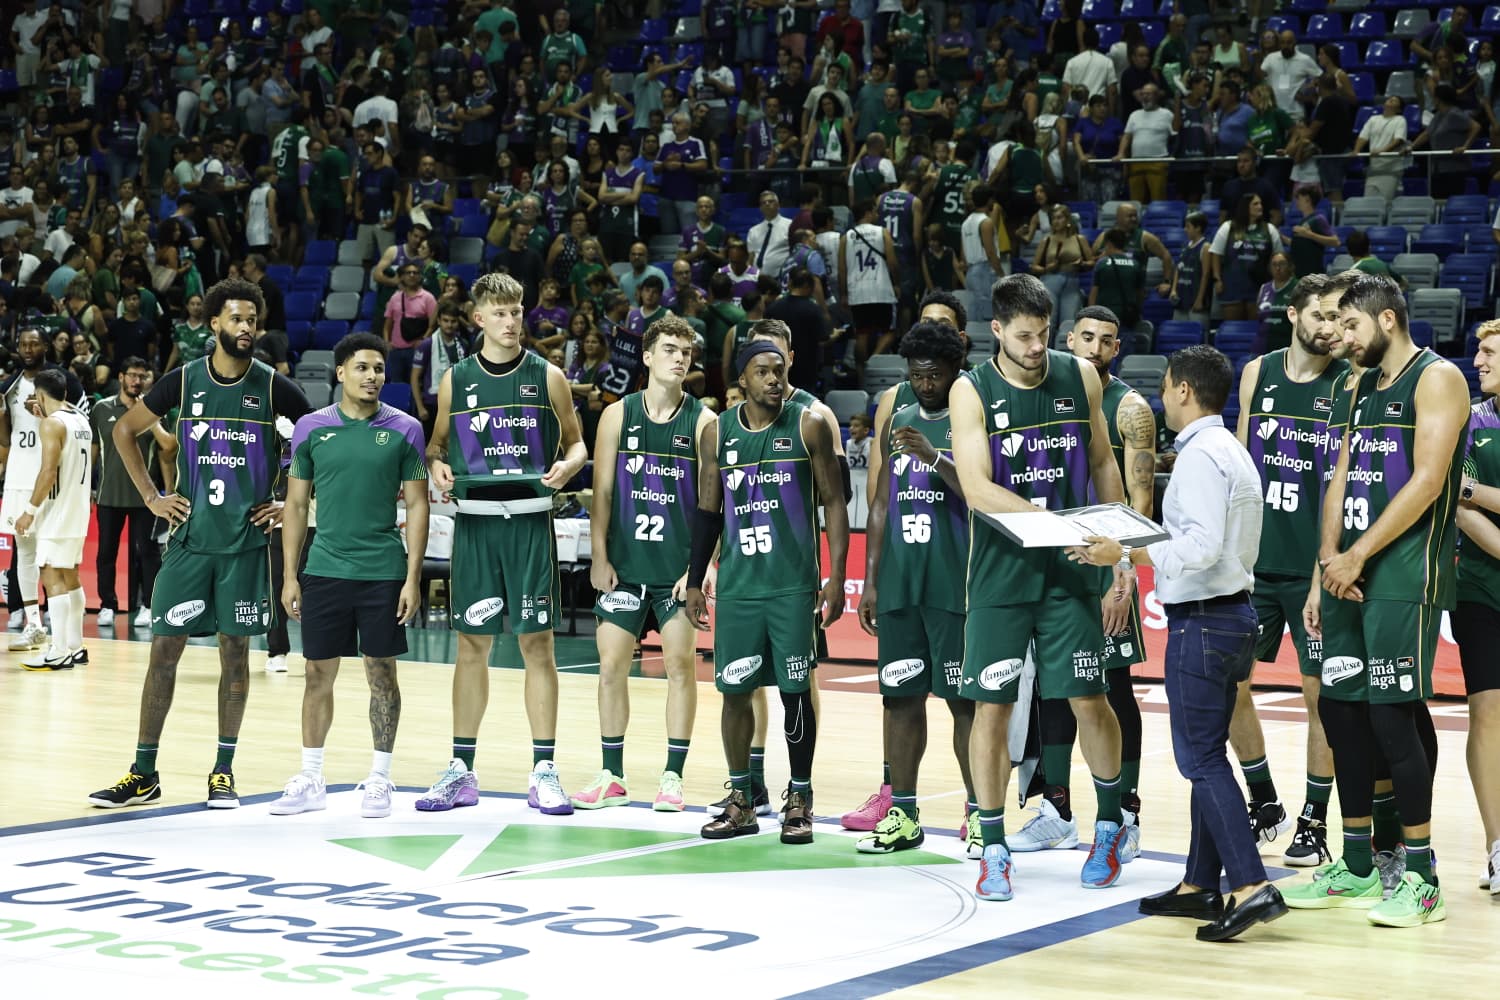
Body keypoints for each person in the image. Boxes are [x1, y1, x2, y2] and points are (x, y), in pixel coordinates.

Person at [1073, 343, 1286, 941]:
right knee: (1210, 752)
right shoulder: (1232, 450)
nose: (1162, 396)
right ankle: (1199, 883)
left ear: (1184, 390)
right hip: (1234, 613)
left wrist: (1128, 553)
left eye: (1167, 386)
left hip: (1206, 619)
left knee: (1200, 760)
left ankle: (1249, 885)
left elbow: (1200, 548)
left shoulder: (1198, 457)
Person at [89, 278, 313, 809]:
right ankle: (143, 772)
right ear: (214, 324)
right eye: (236, 320)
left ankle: (223, 770)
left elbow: (318, 438)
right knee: (163, 653)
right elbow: (124, 431)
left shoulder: (274, 385)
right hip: (189, 542)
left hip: (243, 547)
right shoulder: (183, 381)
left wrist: (290, 500)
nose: (246, 329)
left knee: (235, 656)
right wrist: (151, 496)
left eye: (253, 321)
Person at [1287, 273, 1469, 927]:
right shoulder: (1353, 384)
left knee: (1394, 718)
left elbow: (1427, 481)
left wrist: (1360, 555)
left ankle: (1420, 877)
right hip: (1345, 572)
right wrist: (1324, 567)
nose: (1340, 334)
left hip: (1399, 572)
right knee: (1341, 713)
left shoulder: (1438, 377)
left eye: (1351, 323)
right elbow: (1338, 476)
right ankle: (1359, 864)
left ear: (1386, 321)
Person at [952, 273, 1132, 902]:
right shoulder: (969, 391)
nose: (1036, 347)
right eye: (1023, 336)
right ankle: (994, 843)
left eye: (1044, 335)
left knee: (1089, 700)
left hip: (1073, 572)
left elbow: (1104, 461)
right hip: (1001, 575)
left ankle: (1110, 825)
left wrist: (1121, 555)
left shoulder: (1079, 376)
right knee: (992, 710)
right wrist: (1057, 526)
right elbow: (976, 489)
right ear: (996, 330)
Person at [420, 273, 589, 814]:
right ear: (479, 319)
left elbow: (578, 443)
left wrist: (569, 465)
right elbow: (436, 446)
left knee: (537, 644)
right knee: (472, 646)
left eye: (517, 311)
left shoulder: (549, 376)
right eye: (500, 313)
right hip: (475, 527)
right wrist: (439, 467)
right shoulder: (456, 380)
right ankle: (461, 770)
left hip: (529, 526)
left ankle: (544, 770)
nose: (512, 321)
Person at [683, 339, 850, 843]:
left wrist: (837, 577)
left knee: (796, 695)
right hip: (737, 589)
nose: (774, 379)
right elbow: (708, 510)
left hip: (791, 589)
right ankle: (740, 799)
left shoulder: (809, 424)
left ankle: (800, 797)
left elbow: (836, 504)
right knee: (734, 694)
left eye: (779, 370)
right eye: (762, 372)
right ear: (742, 381)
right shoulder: (717, 432)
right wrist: (695, 579)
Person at [1018, 307, 1158, 856]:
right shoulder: (1041, 394)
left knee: (1113, 688)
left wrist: (1123, 572)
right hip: (1052, 565)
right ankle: (1056, 809)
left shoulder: (1131, 410)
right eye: (1086, 338)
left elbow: (1139, 501)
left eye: (1106, 340)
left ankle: (1126, 812)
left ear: (1116, 348)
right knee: (1056, 687)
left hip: (1107, 567)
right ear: (1068, 340)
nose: (1094, 348)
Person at [272, 333, 429, 820]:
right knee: (317, 673)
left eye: (379, 369)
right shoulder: (311, 429)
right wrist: (290, 576)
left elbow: (419, 502)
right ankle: (311, 776)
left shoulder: (405, 428)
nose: (372, 376)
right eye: (362, 368)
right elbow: (296, 504)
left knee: (382, 674)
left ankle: (380, 778)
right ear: (340, 373)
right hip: (324, 569)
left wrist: (412, 577)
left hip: (383, 570)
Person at [575, 316, 716, 811]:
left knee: (680, 667)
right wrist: (599, 554)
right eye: (671, 349)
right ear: (649, 356)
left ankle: (672, 777)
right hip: (625, 567)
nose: (681, 358)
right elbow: (605, 492)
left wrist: (700, 570)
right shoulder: (617, 415)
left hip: (676, 572)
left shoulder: (702, 422)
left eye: (687, 352)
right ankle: (611, 775)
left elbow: (710, 503)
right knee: (611, 667)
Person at [1232, 273, 1348, 865]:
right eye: (1321, 315)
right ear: (1293, 315)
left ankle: (1314, 819)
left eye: (1338, 317)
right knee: (1229, 685)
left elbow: (1345, 486)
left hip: (1312, 570)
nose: (1330, 327)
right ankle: (1264, 801)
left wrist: (1321, 574)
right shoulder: (1258, 373)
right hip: (1253, 565)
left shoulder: (1348, 384)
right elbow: (1238, 468)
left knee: (1318, 697)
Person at [852, 320, 976, 854]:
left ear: (954, 371)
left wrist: (935, 457)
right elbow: (880, 502)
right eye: (916, 375)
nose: (925, 384)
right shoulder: (898, 418)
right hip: (902, 583)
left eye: (935, 375)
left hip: (956, 585)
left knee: (964, 703)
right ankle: (902, 812)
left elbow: (983, 492)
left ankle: (980, 814)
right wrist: (872, 580)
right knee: (899, 700)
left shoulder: (973, 418)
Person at [1, 326, 87, 651]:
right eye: (22, 343)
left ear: (46, 346)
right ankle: (33, 625)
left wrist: (41, 414)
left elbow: (81, 419)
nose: (27, 348)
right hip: (19, 475)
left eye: (34, 343)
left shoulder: (61, 380)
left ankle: (65, 641)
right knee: (24, 552)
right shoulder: (8, 385)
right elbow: (5, 439)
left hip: (51, 478)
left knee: (53, 559)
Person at [1452, 319, 1500, 895]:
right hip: (1480, 587)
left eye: (1489, 352)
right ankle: (1496, 845)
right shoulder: (1470, 422)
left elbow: (1468, 492)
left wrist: (1475, 493)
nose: (1478, 360)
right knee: (1486, 711)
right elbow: (1455, 502)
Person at [14, 369, 92, 671]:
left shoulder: (52, 424)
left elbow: (48, 472)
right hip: (79, 507)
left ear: (41, 395)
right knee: (70, 574)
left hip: (57, 510)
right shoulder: (79, 419)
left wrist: (29, 510)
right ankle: (76, 646)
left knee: (50, 573)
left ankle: (58, 650)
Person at [91, 358, 177, 632]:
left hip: (146, 498)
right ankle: (107, 605)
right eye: (132, 375)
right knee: (106, 552)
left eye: (142, 376)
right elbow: (93, 453)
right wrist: (86, 489)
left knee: (148, 552)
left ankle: (148, 606)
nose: (136, 381)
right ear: (121, 376)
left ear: (148, 380)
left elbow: (168, 447)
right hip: (108, 495)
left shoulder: (156, 412)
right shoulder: (101, 408)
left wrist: (148, 417)